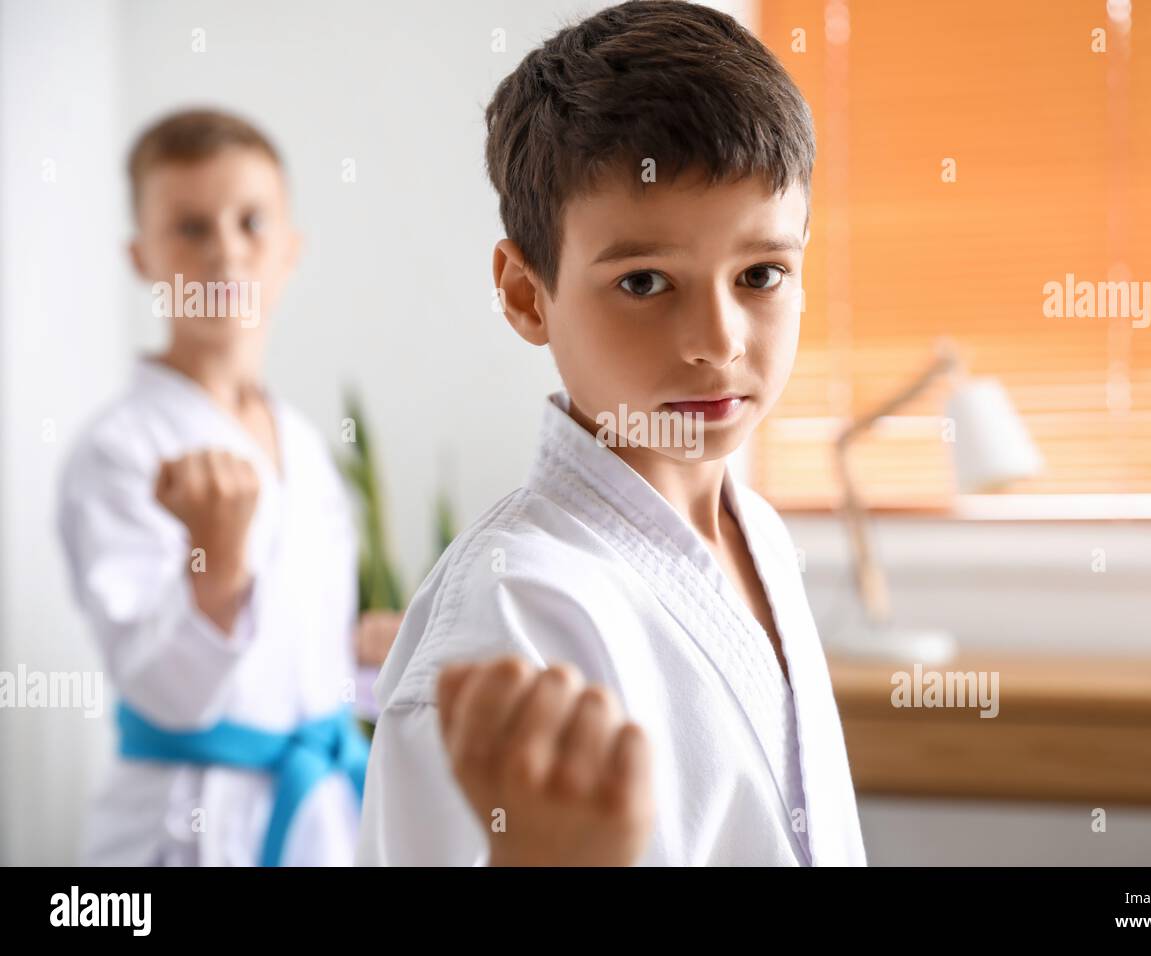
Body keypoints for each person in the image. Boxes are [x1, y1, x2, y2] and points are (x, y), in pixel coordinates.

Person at [357, 0, 866, 866]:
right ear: (526, 294)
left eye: (760, 274)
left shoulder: (763, 540)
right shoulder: (511, 614)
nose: (717, 342)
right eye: (644, 283)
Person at [58, 109, 394, 866]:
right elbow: (165, 689)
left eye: (251, 222)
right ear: (141, 257)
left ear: (290, 249)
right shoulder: (119, 450)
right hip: (187, 827)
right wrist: (215, 566)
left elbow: (286, 666)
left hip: (319, 811)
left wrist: (369, 661)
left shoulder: (304, 445)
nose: (225, 251)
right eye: (190, 228)